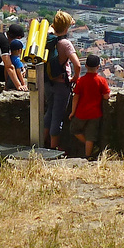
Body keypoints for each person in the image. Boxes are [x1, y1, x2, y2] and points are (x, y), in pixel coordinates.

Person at [41, 11, 81, 150]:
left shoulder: (47, 38)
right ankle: (53, 148)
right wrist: (74, 78)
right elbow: (77, 65)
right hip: (61, 83)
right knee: (57, 116)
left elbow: (51, 28)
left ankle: (41, 143)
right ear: (66, 28)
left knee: (49, 112)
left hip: (47, 82)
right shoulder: (65, 44)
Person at [67, 53, 111, 159]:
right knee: (91, 136)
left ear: (85, 66)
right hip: (95, 114)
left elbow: (75, 97)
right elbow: (106, 96)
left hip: (81, 112)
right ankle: (88, 156)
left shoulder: (81, 81)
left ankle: (90, 148)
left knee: (74, 130)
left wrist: (73, 112)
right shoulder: (101, 81)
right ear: (98, 67)